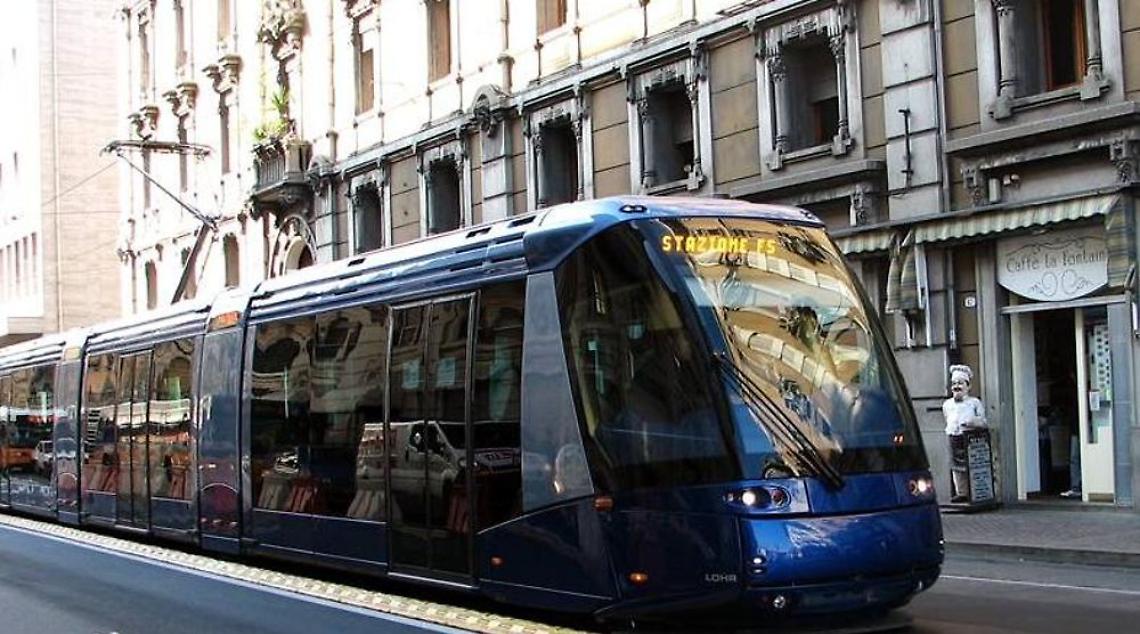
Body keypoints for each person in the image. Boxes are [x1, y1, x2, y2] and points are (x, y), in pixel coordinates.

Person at [942, 364, 986, 503]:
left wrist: (972, 423)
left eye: (960, 383)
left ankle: (974, 491)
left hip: (970, 439)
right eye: (954, 383)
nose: (957, 386)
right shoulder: (947, 404)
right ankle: (961, 492)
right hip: (953, 437)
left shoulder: (974, 403)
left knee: (970, 466)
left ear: (968, 386)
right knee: (955, 466)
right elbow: (947, 418)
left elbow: (983, 421)